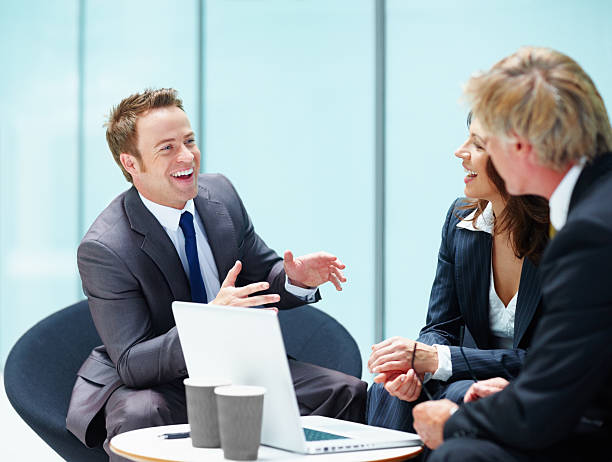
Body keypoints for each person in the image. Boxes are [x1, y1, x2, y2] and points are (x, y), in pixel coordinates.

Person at [65, 88, 367, 459]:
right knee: (140, 414)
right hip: (161, 380)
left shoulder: (220, 194)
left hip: (236, 365)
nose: (187, 156)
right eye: (167, 148)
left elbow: (262, 277)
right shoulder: (107, 247)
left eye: (189, 141)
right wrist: (209, 322)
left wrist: (295, 279)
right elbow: (132, 363)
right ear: (131, 163)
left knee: (346, 392)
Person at [412, 46, 612, 461]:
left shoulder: (589, 234)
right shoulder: (596, 202)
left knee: (460, 453)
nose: (461, 151)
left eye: (482, 141)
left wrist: (452, 423)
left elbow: (544, 410)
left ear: (519, 147)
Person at [367, 113, 549, 432]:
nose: (460, 151)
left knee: (457, 395)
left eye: (477, 143)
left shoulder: (563, 237)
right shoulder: (460, 219)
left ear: (517, 156)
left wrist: (435, 360)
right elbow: (441, 325)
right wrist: (415, 370)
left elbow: (552, 359)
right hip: (469, 372)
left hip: (537, 385)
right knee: (388, 387)